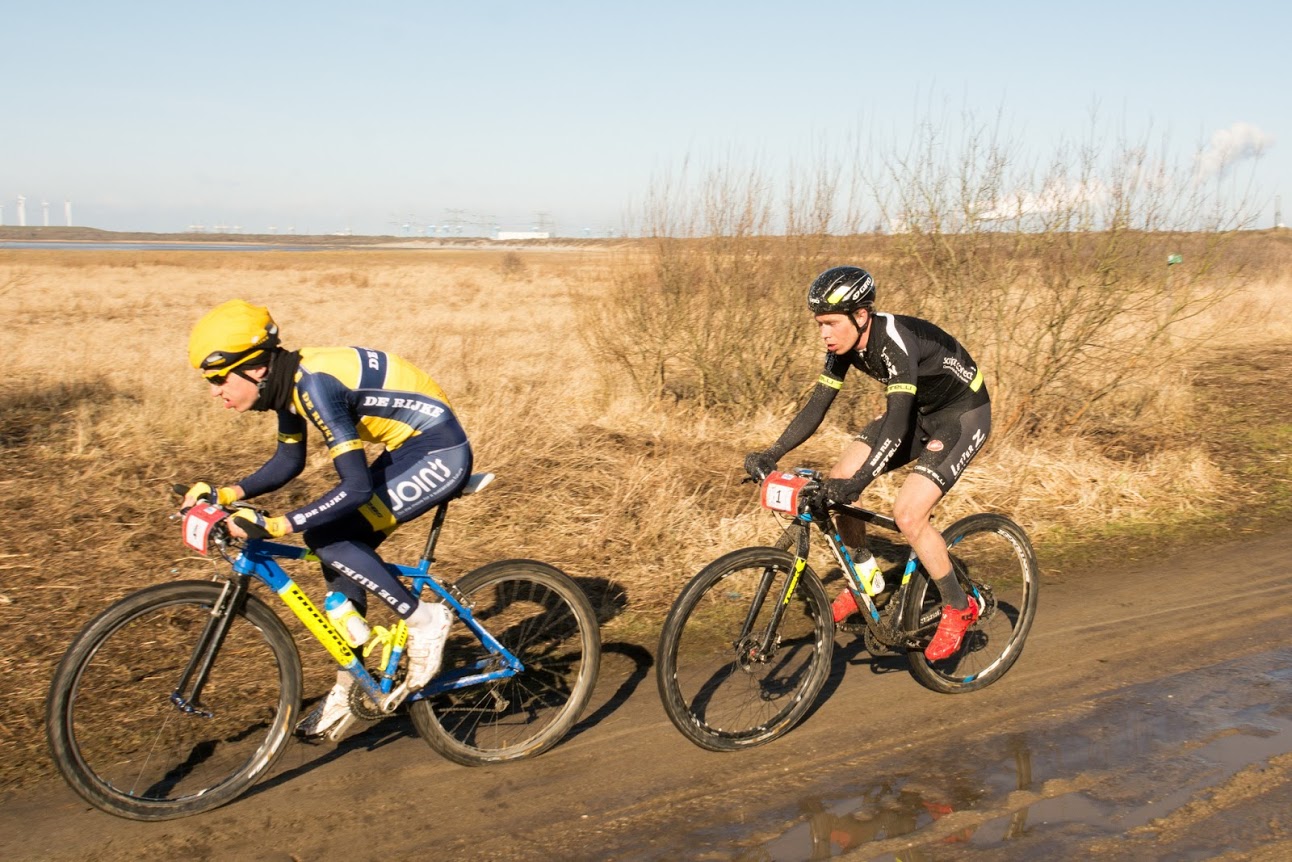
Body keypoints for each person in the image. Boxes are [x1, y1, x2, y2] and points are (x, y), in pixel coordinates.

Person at [182, 299, 471, 739]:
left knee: (325, 536)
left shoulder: (314, 386)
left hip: (439, 451)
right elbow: (288, 460)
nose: (215, 391)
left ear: (256, 368)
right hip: (410, 446)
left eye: (220, 378)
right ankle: (355, 680)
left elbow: (354, 488)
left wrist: (279, 525)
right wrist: (224, 494)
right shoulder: (287, 384)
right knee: (333, 542)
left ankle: (425, 620)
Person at [743, 266, 991, 661]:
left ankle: (959, 607)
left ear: (861, 315)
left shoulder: (894, 342)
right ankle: (868, 581)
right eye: (818, 324)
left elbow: (895, 422)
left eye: (829, 323)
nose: (823, 333)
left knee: (908, 514)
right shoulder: (844, 346)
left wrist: (861, 481)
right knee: (837, 483)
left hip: (961, 416)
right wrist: (773, 452)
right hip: (920, 412)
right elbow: (817, 406)